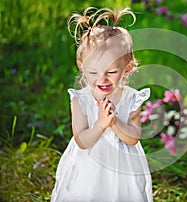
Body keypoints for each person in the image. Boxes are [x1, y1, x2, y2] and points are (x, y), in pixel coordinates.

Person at [51, 7, 153, 202]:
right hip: (88, 167)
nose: (102, 79)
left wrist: (114, 123)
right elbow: (82, 141)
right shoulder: (80, 100)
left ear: (127, 68)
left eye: (111, 72)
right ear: (82, 67)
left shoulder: (131, 98)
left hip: (123, 169)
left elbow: (133, 138)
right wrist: (100, 124)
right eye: (93, 72)